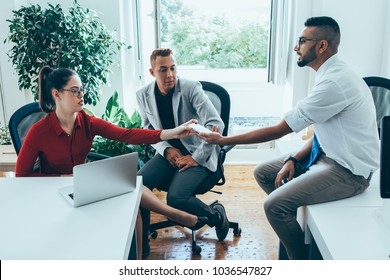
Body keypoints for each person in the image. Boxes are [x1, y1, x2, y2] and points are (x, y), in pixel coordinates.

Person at [197, 16, 380, 259]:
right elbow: (325, 134)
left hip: (349, 173)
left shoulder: (335, 82)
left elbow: (280, 130)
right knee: (264, 172)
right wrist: (293, 157)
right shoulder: (330, 73)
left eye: (303, 41)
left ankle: (300, 263)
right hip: (328, 156)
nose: (296, 47)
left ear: (322, 45)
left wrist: (224, 141)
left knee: (274, 205)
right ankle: (292, 231)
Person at [15, 66, 208, 260]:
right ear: (57, 94)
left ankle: (136, 264)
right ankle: (177, 215)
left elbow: (127, 134)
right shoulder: (38, 132)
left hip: (82, 188)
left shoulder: (88, 122)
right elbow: (21, 177)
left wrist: (174, 131)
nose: (81, 95)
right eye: (75, 91)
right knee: (132, 190)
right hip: (54, 193)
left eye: (82, 89)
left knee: (133, 197)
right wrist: (60, 177)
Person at [136, 48, 230, 256]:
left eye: (173, 68)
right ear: (152, 72)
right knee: (137, 187)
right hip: (168, 154)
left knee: (176, 199)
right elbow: (148, 129)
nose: (169, 75)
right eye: (163, 70)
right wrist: (166, 148)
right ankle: (141, 247)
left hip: (197, 153)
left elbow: (216, 124)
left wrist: (196, 158)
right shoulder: (142, 95)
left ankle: (215, 216)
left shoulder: (190, 88)